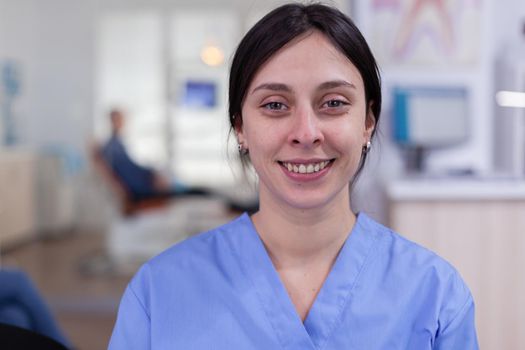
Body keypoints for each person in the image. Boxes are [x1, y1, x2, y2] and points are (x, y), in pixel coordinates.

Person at [109, 3, 478, 349]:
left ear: (368, 122)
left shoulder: (436, 297)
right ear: (240, 127)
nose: (306, 132)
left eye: (333, 103)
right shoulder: (158, 294)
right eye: (274, 105)